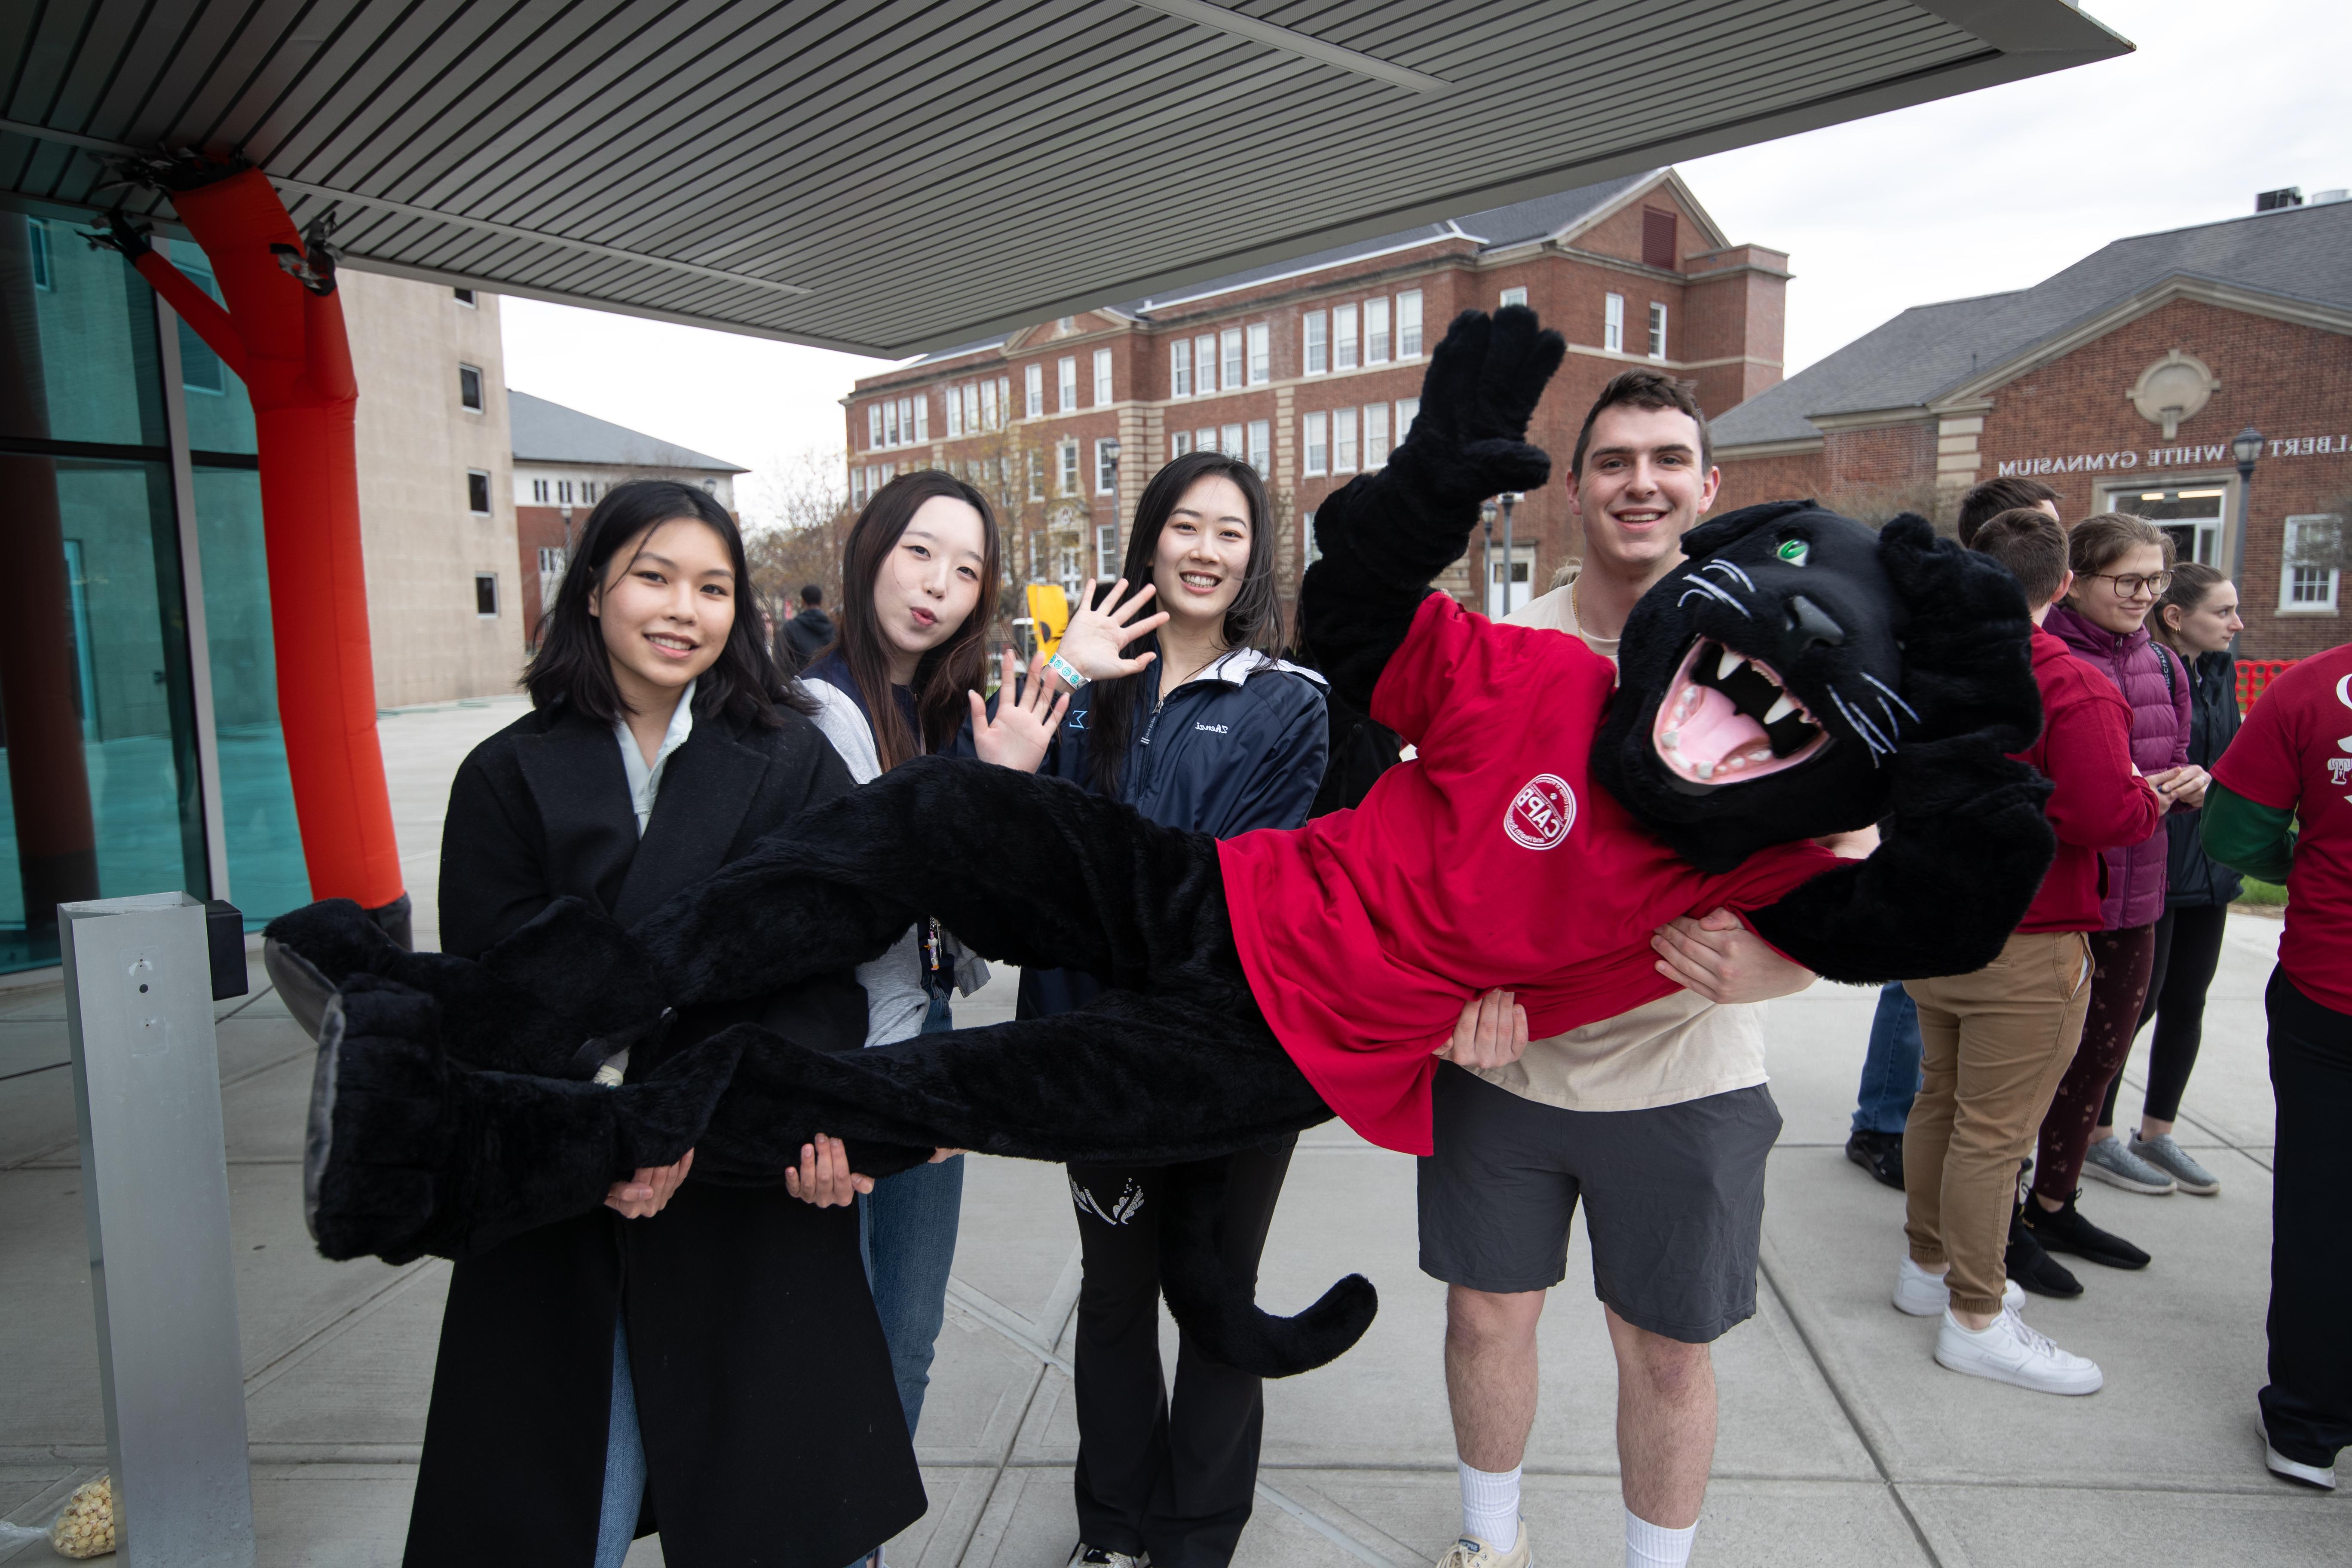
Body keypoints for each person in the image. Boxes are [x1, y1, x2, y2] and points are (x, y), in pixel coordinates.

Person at [417, 479, 923, 1566]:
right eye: (652, 576)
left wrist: (773, 1119)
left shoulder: (788, 759)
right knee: (564, 1506)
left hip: (741, 1185)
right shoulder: (505, 775)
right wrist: (599, 1139)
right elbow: (496, 1006)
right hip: (569, 1194)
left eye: (711, 587)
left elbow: (821, 970)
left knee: (776, 1513)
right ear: (592, 586)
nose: (680, 609)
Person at [1436, 370, 1832, 1568]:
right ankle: (1487, 1544)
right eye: (1613, 461)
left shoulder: (1769, 656)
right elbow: (1438, 858)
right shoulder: (1504, 651)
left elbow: (1845, 866)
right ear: (1574, 489)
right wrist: (1450, 1000)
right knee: (1485, 1315)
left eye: (1668, 459)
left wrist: (1783, 969)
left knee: (1666, 1349)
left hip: (1689, 1069)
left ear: (1709, 487)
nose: (1641, 482)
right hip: (1506, 1069)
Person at [1021, 449, 1331, 1568]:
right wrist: (1068, 676)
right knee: (1113, 1299)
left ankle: (1197, 1540)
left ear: (1255, 557)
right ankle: (1112, 1531)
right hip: (1095, 1058)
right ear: (1149, 540)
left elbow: (1217, 877)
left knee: (1213, 1296)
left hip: (1233, 1059)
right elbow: (1013, 839)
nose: (1206, 550)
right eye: (1186, 527)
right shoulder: (1081, 683)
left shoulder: (1291, 705)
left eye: (1231, 532)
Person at [1897, 506, 2161, 1391]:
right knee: (1993, 1132)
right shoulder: (2070, 683)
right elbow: (2100, 814)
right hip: (2031, 933)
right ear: (2061, 585)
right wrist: (2152, 798)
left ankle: (1927, 1267)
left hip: (1938, 921)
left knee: (1941, 1101)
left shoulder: (1928, 668)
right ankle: (1976, 1309)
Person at [793, 471, 1011, 1455]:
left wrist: (1000, 790)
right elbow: (823, 910)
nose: (936, 585)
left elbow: (985, 907)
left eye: (964, 570)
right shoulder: (807, 715)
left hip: (924, 1034)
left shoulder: (937, 710)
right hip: (830, 1052)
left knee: (906, 1339)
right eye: (919, 551)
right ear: (870, 547)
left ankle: (862, 1545)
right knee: (822, 1333)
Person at [1846, 476, 2063, 1190]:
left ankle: (1900, 1118)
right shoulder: (1945, 620)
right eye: (2039, 531)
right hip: (1930, 817)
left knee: (1926, 985)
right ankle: (1879, 1122)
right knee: (1910, 982)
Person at [2023, 514, 2201, 1264]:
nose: (2143, 595)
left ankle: (2054, 1204)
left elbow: (2181, 752)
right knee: (2027, 1068)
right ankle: (1996, 1219)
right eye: (2126, 579)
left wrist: (2193, 781)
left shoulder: (2165, 665)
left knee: (2101, 1057)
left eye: (2154, 580)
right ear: (2075, 578)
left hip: (2140, 892)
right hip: (2058, 896)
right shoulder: (2044, 656)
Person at [2201, 635, 2352, 1491]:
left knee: (2323, 1207)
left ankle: (2308, 1420)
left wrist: (2304, 864)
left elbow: (2234, 831)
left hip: (2331, 988)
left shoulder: (2313, 686)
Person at [2092, 563, 2244, 1195]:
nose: (2236, 624)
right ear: (2177, 617)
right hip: (2157, 860)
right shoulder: (2146, 669)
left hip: (2210, 866)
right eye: (2223, 612)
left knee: (2188, 1002)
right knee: (2134, 1006)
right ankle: (2094, 1134)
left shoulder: (2221, 672)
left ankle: (2157, 1133)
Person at [778, 581, 836, 672]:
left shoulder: (789, 628)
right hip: (828, 683)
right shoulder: (834, 629)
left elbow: (781, 661)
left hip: (798, 683)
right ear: (821, 602)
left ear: (803, 602)